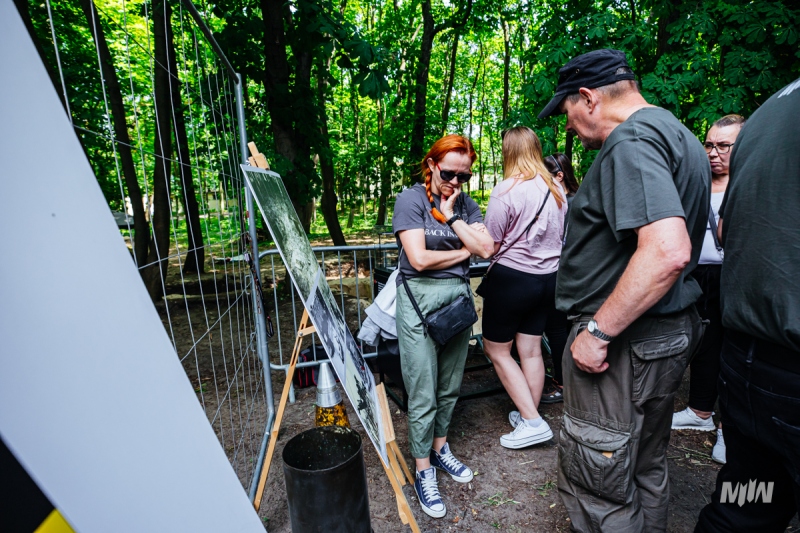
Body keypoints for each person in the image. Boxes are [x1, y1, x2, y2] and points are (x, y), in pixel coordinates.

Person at [538, 49, 709, 531]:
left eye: (567, 112)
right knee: (644, 463)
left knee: (600, 479)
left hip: (623, 348)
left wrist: (596, 332)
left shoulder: (631, 141)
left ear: (588, 98)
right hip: (661, 337)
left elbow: (666, 251)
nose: (568, 127)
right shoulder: (679, 134)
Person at [694, 78, 800, 532]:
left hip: (750, 368)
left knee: (745, 502)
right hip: (786, 370)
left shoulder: (770, 110)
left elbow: (727, 230)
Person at [392, 134, 494, 519]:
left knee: (450, 385)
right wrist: (463, 249)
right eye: (449, 172)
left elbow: (487, 249)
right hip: (419, 302)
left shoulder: (464, 204)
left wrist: (452, 216)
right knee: (422, 391)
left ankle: (440, 447)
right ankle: (423, 471)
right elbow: (417, 259)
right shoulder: (411, 200)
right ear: (432, 164)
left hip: (456, 301)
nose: (456, 182)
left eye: (464, 176)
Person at [481, 126, 568, 448]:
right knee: (530, 350)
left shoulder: (506, 190)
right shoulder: (555, 189)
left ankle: (532, 422)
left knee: (496, 349)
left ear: (508, 151)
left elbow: (490, 243)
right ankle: (529, 413)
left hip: (513, 279)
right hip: (549, 279)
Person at [671, 114, 746, 466]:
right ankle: (700, 412)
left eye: (723, 146)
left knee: (735, 354)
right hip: (695, 273)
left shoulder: (747, 183)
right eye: (709, 144)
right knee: (703, 345)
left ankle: (730, 431)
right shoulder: (697, 181)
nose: (713, 153)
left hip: (733, 276)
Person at [541, 152, 580, 402]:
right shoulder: (572, 199)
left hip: (566, 274)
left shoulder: (570, 203)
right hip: (566, 273)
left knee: (557, 329)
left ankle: (563, 382)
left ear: (559, 175)